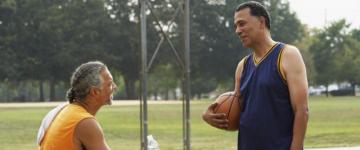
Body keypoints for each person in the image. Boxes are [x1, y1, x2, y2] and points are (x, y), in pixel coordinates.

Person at [202, 1, 309, 150]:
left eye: (242, 24)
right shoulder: (242, 66)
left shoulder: (288, 55)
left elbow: (301, 110)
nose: (238, 31)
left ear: (261, 22)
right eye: (236, 26)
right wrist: (210, 115)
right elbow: (236, 111)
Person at [39, 61, 117, 150]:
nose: (115, 87)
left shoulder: (66, 110)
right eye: (110, 84)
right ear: (95, 92)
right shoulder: (85, 122)